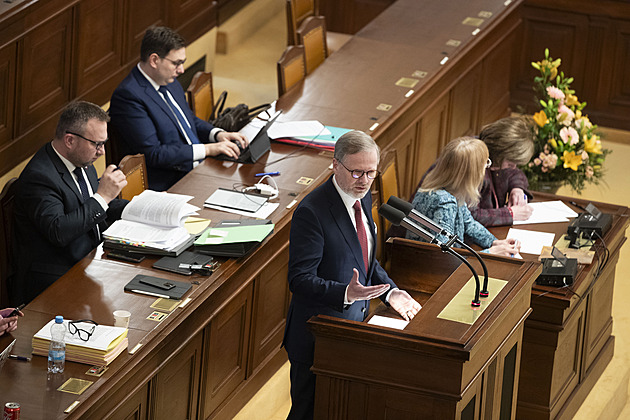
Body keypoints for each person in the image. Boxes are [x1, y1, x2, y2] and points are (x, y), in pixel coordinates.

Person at [283, 130, 422, 419]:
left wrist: (390, 291)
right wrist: (345, 293)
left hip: (351, 331)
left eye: (371, 173)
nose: (364, 181)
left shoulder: (362, 198)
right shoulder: (312, 212)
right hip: (317, 337)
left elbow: (364, 260)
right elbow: (299, 279)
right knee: (308, 413)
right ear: (335, 165)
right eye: (357, 172)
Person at [10, 101, 128, 305]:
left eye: (103, 143)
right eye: (96, 144)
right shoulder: (39, 177)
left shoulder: (82, 160)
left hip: (91, 261)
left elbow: (95, 207)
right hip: (56, 278)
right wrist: (103, 197)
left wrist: (140, 207)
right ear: (70, 140)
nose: (101, 152)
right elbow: (59, 231)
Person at [109, 26, 248, 191]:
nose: (181, 70)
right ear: (154, 60)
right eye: (176, 63)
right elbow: (154, 154)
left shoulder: (168, 80)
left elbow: (189, 121)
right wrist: (207, 149)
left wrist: (217, 134)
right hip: (171, 182)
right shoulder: (128, 96)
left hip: (200, 168)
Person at [406, 136, 520, 256]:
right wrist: (489, 253)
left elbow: (469, 224)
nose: (486, 168)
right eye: (485, 164)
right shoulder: (445, 203)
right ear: (472, 175)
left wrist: (495, 242)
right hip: (425, 267)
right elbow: (443, 255)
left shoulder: (450, 190)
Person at [473, 116, 535, 226]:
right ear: (500, 150)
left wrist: (517, 189)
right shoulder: (471, 163)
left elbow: (515, 173)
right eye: (511, 162)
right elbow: (470, 217)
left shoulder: (493, 156)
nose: (513, 166)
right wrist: (510, 214)